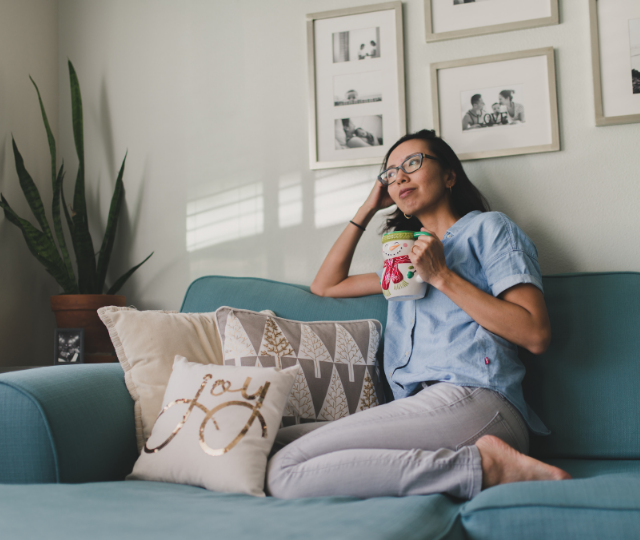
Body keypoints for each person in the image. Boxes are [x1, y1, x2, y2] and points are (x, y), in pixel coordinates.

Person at [266, 129, 571, 500]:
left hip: (478, 399)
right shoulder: (404, 260)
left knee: (284, 471)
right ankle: (471, 466)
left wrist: (442, 276)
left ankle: (488, 467)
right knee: (266, 441)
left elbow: (535, 334)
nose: (400, 177)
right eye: (391, 173)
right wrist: (367, 208)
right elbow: (326, 285)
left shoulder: (490, 229)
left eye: (412, 164)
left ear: (449, 176)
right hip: (417, 410)